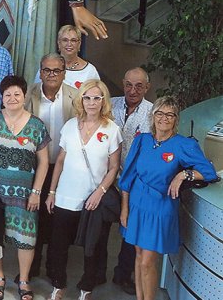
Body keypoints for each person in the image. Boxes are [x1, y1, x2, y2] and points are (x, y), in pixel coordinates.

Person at [119, 97, 218, 300]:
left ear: (176, 119)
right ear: (152, 116)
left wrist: (183, 175)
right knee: (138, 256)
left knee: (148, 261)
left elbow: (209, 172)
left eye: (169, 114)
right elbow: (127, 177)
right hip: (137, 204)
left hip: (160, 208)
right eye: (159, 113)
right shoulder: (142, 140)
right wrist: (124, 208)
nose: (164, 118)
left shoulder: (184, 145)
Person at [0, 75, 50, 300]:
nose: (12, 98)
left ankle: (24, 280)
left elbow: (44, 162)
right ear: (2, 97)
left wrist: (36, 192)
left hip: (25, 196)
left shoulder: (36, 125)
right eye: (8, 94)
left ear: (24, 96)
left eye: (17, 93)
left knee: (26, 238)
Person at [45, 80, 121, 300]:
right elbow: (59, 160)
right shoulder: (69, 125)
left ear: (103, 101)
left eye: (97, 98)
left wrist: (100, 192)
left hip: (92, 200)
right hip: (65, 197)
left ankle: (86, 288)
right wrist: (51, 192)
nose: (92, 102)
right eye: (87, 97)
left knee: (93, 247)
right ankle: (58, 285)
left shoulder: (111, 129)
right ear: (81, 100)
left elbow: (114, 167)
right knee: (58, 245)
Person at [23, 53, 79, 277]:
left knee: (58, 221)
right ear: (40, 71)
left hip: (63, 169)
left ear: (64, 73)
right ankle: (32, 266)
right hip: (36, 167)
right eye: (47, 70)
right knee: (33, 217)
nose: (51, 75)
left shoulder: (75, 97)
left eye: (56, 70)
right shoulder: (30, 94)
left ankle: (54, 270)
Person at [110, 66, 153, 293]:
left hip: (135, 180)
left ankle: (123, 274)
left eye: (139, 86)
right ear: (123, 83)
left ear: (147, 87)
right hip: (108, 176)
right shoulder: (110, 104)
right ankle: (96, 271)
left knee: (129, 229)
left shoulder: (153, 113)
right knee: (102, 224)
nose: (133, 90)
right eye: (128, 84)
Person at [35, 25, 100, 88]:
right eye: (65, 40)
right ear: (59, 43)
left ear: (79, 44)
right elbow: (35, 94)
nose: (69, 44)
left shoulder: (90, 71)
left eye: (73, 40)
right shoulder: (46, 66)